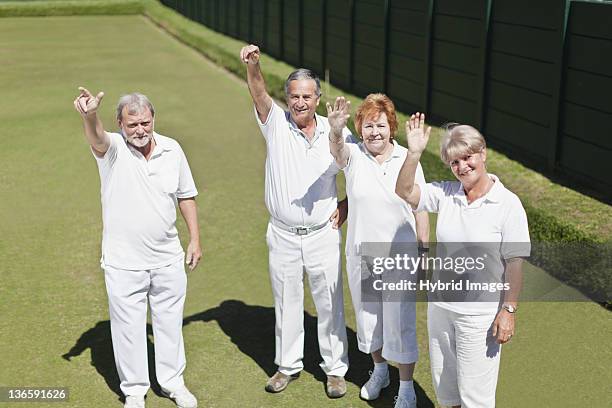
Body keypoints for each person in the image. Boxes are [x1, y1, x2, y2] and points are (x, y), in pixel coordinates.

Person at [74, 87, 202, 408]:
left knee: (169, 324)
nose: (140, 130)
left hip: (167, 258)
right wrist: (90, 115)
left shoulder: (173, 150)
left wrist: (195, 239)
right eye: (132, 125)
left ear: (153, 118)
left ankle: (173, 384)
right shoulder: (114, 148)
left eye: (145, 123)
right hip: (123, 263)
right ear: (120, 124)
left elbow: (186, 195)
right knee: (129, 330)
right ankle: (134, 391)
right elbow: (97, 138)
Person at [239, 44, 352, 398]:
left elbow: (353, 170)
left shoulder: (335, 130)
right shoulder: (275, 123)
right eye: (294, 96)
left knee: (329, 303)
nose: (300, 102)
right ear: (286, 98)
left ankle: (335, 370)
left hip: (322, 233)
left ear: (317, 98)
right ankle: (287, 366)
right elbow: (258, 92)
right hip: (283, 235)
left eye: (306, 96)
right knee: (286, 302)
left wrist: (346, 205)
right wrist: (253, 66)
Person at [395, 115, 530, 408]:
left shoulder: (508, 205)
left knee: (476, 398)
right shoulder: (446, 192)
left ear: (482, 154)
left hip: (479, 316)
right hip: (441, 309)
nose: (462, 167)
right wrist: (414, 153)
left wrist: (509, 310)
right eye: (454, 162)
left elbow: (515, 262)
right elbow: (405, 191)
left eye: (467, 158)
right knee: (448, 393)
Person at [327, 94, 429, 408]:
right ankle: (381, 370)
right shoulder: (354, 154)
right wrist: (334, 130)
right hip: (362, 254)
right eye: (368, 126)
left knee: (400, 322)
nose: (374, 132)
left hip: (401, 256)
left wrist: (425, 252)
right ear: (360, 128)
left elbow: (420, 209)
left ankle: (407, 386)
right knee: (369, 320)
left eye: (381, 125)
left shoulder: (407, 158)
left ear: (391, 127)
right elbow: (338, 151)